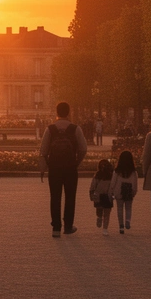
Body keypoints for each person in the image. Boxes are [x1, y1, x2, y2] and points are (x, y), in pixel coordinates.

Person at [39, 101, 87, 238]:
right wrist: (76, 162)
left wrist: (43, 168)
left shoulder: (50, 129)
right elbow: (83, 148)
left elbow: (43, 151)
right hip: (70, 167)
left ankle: (56, 228)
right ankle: (68, 226)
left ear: (57, 112)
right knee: (70, 197)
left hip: (54, 168)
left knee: (55, 197)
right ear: (69, 112)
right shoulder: (75, 128)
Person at [110, 150, 139, 234]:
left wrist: (111, 191)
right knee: (128, 208)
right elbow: (135, 183)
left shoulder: (117, 171)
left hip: (118, 192)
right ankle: (127, 221)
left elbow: (113, 182)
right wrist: (134, 192)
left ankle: (121, 226)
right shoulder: (134, 172)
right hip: (129, 191)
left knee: (119, 209)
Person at [88, 158, 114, 235]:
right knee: (105, 213)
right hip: (106, 196)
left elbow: (93, 186)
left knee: (101, 211)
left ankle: (100, 220)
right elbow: (113, 187)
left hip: (100, 195)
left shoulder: (97, 175)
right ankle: (104, 227)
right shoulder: (111, 176)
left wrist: (92, 194)